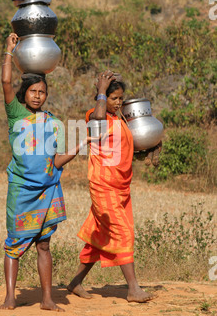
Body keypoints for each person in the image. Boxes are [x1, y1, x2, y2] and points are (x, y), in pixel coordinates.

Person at [0, 33, 95, 311]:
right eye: (33, 91)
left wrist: (81, 145)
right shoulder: (16, 114)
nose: (38, 96)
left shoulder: (54, 122)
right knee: (15, 244)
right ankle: (9, 297)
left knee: (44, 245)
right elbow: (5, 81)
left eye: (42, 92)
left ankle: (47, 298)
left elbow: (55, 161)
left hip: (48, 190)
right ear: (24, 93)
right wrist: (9, 51)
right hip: (22, 190)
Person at [67, 71, 160, 303]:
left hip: (121, 186)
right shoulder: (94, 116)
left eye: (120, 98)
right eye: (113, 98)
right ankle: (133, 289)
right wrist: (100, 91)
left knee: (99, 235)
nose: (118, 103)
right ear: (101, 97)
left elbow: (127, 153)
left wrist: (151, 149)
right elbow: (97, 121)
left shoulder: (121, 121)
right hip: (103, 184)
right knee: (122, 232)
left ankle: (75, 282)